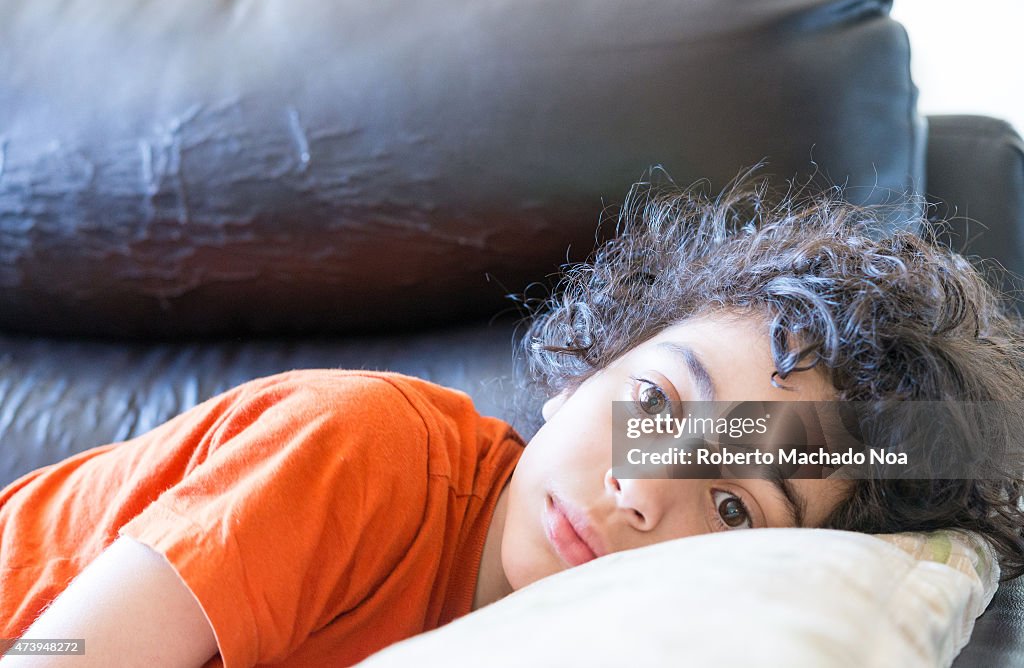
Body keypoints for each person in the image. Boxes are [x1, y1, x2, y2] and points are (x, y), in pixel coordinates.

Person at [2, 174, 1023, 667]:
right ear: (578, 377)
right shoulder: (362, 447)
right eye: (654, 405)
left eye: (728, 499)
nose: (639, 490)